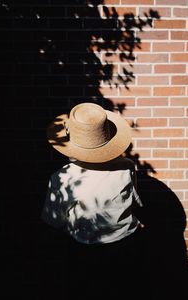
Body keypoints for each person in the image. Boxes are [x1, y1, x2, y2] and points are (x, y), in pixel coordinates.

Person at [41, 102, 145, 299]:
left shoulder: (63, 177)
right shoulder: (127, 166)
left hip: (84, 253)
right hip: (127, 248)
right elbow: (134, 200)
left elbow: (54, 220)